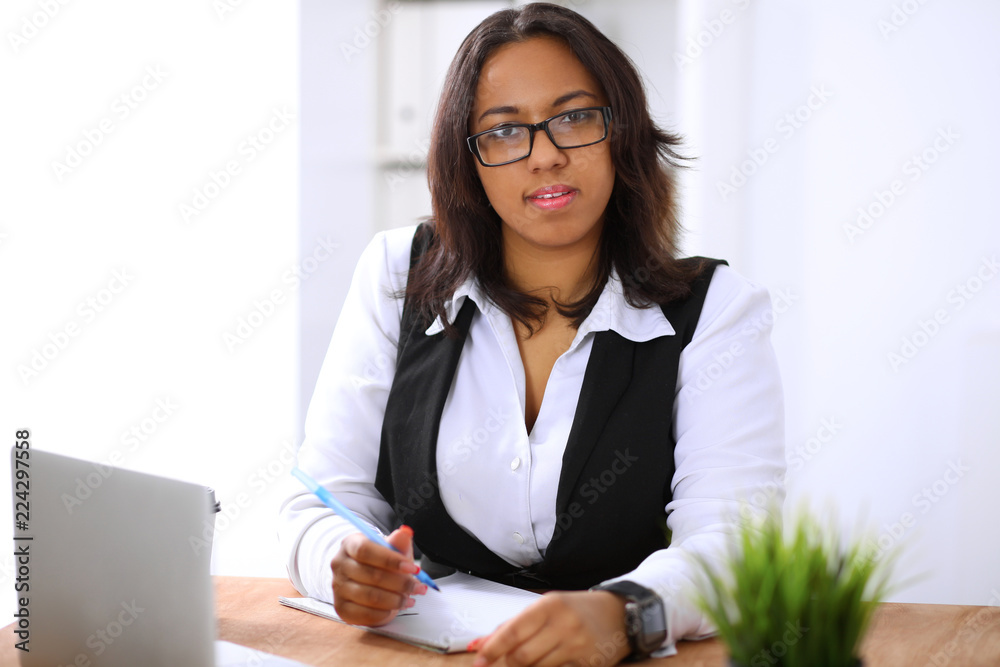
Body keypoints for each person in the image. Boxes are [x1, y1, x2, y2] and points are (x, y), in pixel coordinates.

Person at [279, 3, 784, 665]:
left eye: (574, 117)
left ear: (620, 132)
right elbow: (323, 498)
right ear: (470, 160)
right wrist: (340, 562)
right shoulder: (398, 275)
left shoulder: (714, 311)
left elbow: (737, 541)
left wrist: (625, 611)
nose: (544, 155)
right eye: (504, 130)